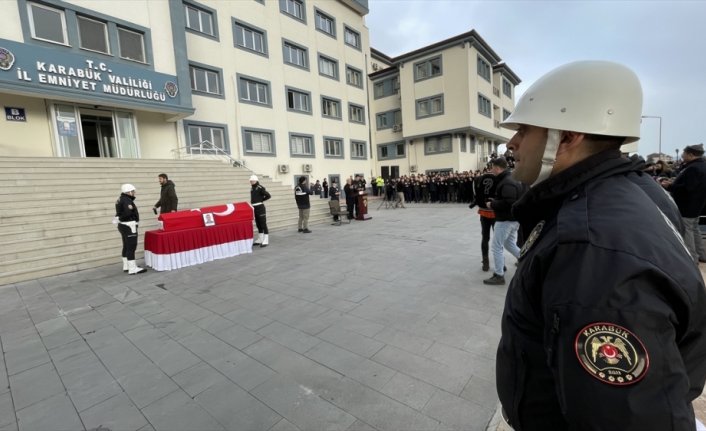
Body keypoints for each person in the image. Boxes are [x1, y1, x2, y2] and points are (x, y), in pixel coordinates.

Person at [495, 60, 706, 430]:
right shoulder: (636, 191)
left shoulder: (592, 247)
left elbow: (628, 415)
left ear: (568, 136)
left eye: (524, 129)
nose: (512, 143)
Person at [661, 144, 706, 263]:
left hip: (687, 205)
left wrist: (670, 185)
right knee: (695, 229)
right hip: (697, 205)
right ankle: (702, 254)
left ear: (691, 155)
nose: (682, 155)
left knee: (688, 231)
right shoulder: (702, 166)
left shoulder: (693, 168)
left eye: (684, 153)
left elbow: (689, 188)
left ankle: (692, 257)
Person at [482, 157, 522, 285]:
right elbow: (509, 199)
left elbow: (509, 202)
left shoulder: (506, 182)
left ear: (498, 168)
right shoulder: (510, 179)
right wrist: (496, 201)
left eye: (492, 167)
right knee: (509, 244)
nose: (491, 169)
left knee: (496, 246)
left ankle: (499, 275)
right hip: (512, 219)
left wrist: (492, 204)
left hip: (505, 220)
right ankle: (524, 260)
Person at [115, 184, 146, 275]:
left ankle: (127, 266)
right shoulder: (126, 201)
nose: (134, 193)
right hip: (129, 225)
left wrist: (118, 218)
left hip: (123, 226)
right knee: (131, 246)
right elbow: (127, 214)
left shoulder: (120, 199)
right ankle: (132, 268)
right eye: (133, 191)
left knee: (126, 245)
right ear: (128, 192)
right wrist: (121, 218)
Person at [471, 171, 498, 271]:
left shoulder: (478, 179)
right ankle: (500, 263)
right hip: (495, 212)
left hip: (483, 212)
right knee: (498, 240)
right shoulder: (498, 179)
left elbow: (475, 196)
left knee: (485, 238)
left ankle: (485, 263)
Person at [249, 174, 271, 247]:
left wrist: (261, 200)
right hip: (254, 208)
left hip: (260, 208)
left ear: (256, 180)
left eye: (252, 181)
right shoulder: (252, 188)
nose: (251, 182)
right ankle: (260, 239)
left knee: (263, 224)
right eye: (250, 181)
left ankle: (266, 239)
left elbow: (268, 195)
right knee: (258, 224)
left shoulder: (260, 187)